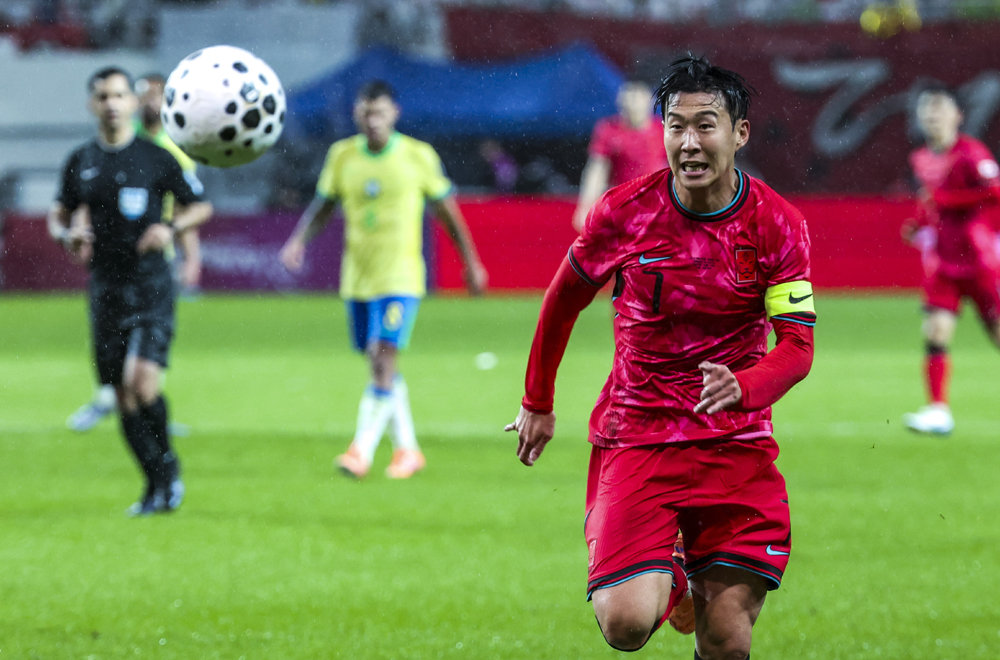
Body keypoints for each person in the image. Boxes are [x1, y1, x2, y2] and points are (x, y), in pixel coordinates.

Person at [505, 55, 816, 659]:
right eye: (676, 126)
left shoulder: (778, 224)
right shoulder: (625, 212)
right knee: (625, 628)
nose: (689, 142)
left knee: (726, 640)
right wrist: (537, 402)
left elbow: (798, 349)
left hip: (735, 442)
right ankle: (672, 569)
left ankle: (690, 573)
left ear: (739, 133)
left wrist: (745, 386)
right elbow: (561, 301)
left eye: (706, 125)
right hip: (639, 435)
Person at [280, 79, 488, 480]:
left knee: (381, 358)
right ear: (357, 115)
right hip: (357, 279)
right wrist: (298, 241)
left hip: (401, 277)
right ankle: (408, 450)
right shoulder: (342, 156)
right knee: (381, 366)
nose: (373, 120)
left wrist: (471, 261)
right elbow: (324, 205)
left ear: (394, 113)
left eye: (380, 112)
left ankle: (361, 450)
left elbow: (447, 212)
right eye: (366, 113)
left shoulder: (416, 156)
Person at [48, 66, 212, 515]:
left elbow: (200, 206)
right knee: (121, 394)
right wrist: (66, 236)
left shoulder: (157, 158)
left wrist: (169, 227)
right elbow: (58, 213)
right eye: (102, 96)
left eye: (119, 94)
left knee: (142, 384)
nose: (112, 103)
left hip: (151, 283)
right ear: (92, 104)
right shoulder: (81, 160)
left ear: (132, 102)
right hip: (105, 286)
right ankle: (154, 482)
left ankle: (168, 470)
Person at [901, 83, 1000, 435]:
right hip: (943, 264)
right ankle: (938, 410)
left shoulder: (973, 154)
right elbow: (932, 203)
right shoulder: (922, 157)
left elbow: (994, 192)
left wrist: (949, 200)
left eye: (940, 109)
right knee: (936, 332)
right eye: (927, 110)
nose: (933, 116)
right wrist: (918, 222)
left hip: (980, 260)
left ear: (957, 115)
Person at [571, 79, 668, 232]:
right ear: (619, 100)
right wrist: (585, 206)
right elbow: (597, 170)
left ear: (650, 100)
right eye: (628, 95)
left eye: (637, 96)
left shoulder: (664, 131)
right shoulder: (608, 130)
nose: (632, 102)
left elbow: (678, 170)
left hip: (656, 208)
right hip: (620, 207)